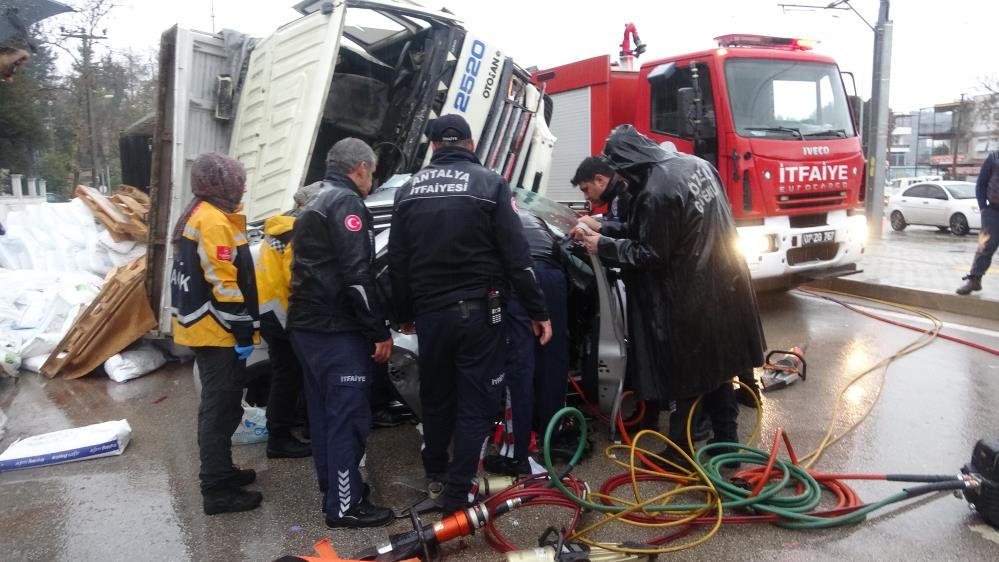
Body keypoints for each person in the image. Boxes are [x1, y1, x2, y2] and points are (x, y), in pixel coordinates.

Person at [573, 125, 766, 462]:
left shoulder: (656, 189)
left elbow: (651, 253)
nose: (626, 181)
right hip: (727, 284)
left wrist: (602, 245)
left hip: (690, 295)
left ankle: (681, 453)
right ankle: (729, 447)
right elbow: (659, 228)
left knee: (688, 378)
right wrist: (606, 229)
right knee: (719, 371)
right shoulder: (696, 166)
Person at [388, 114, 551, 512]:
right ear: (471, 143)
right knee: (477, 402)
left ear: (432, 145)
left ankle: (436, 478)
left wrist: (403, 313)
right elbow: (517, 256)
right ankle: (458, 495)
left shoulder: (407, 190)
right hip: (480, 314)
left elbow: (398, 263)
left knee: (437, 396)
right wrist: (537, 309)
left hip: (431, 315)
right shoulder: (491, 184)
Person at [287, 138, 394, 529]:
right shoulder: (346, 203)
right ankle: (345, 506)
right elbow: (357, 276)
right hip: (335, 329)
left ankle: (334, 489)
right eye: (373, 171)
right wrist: (378, 329)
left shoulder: (316, 198)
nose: (372, 179)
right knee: (348, 418)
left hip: (307, 327)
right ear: (361, 168)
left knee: (323, 415)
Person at [170, 153, 261, 515]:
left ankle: (222, 471)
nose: (242, 186)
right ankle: (217, 489)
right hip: (217, 331)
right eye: (238, 180)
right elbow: (223, 283)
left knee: (219, 407)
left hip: (206, 328)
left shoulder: (202, 214)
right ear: (222, 184)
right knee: (219, 410)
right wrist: (241, 328)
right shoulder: (212, 221)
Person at [254, 182, 325, 459]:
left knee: (287, 374)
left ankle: (288, 431)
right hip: (286, 314)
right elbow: (296, 279)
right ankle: (282, 438)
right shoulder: (298, 231)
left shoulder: (280, 226)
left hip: (269, 310)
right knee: (294, 376)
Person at [956, 150, 999, 295]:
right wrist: (983, 208)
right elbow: (981, 184)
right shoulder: (994, 157)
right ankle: (974, 280)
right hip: (993, 211)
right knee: (985, 245)